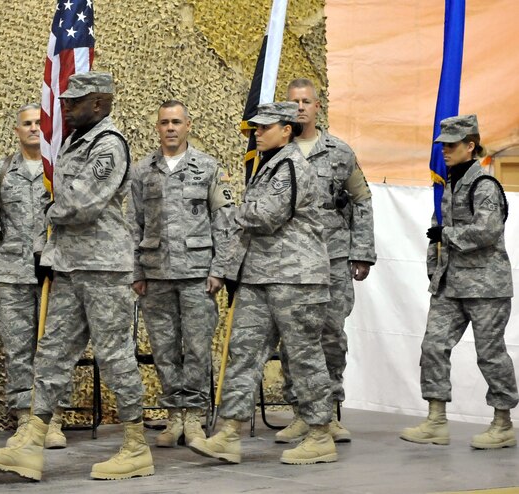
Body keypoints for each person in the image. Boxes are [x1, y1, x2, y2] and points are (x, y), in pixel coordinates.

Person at [0, 72, 154, 481]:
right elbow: (64, 198)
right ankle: (33, 439)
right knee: (51, 353)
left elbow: (81, 203)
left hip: (105, 267)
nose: (65, 108)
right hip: (70, 264)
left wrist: (47, 210)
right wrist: (54, 212)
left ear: (100, 104)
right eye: (66, 101)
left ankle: (135, 444)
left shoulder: (109, 145)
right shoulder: (73, 142)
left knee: (114, 357)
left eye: (76, 102)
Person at [188, 102, 336, 465]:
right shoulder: (267, 166)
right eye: (256, 126)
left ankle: (320, 434)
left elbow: (264, 216)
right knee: (243, 352)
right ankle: (229, 433)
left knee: (303, 358)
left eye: (265, 127)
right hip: (260, 276)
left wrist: (230, 212)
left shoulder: (289, 165)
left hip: (296, 278)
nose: (257, 131)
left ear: (287, 129)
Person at [400, 114, 517, 449]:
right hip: (450, 285)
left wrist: (447, 234)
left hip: (486, 287)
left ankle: (503, 422)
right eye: (443, 145)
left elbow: (489, 230)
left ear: (470, 145)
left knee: (490, 354)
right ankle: (436, 420)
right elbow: (434, 235)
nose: (445, 151)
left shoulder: (484, 185)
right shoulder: (449, 185)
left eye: (451, 145)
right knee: (433, 346)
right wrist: (433, 270)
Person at [274, 78, 376, 444]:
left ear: (318, 106)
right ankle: (302, 412)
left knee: (331, 334)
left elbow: (361, 200)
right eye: (294, 102)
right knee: (292, 336)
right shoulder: (275, 150)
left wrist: (361, 252)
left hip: (331, 256)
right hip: (287, 260)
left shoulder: (339, 152)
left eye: (306, 101)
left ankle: (330, 412)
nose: (300, 107)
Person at [128, 100, 235, 447]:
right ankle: (174, 416)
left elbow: (223, 221)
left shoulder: (208, 167)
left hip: (197, 274)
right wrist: (136, 271)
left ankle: (195, 418)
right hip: (156, 274)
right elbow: (132, 224)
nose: (170, 128)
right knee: (164, 349)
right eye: (164, 122)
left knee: (197, 348)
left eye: (176, 122)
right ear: (157, 128)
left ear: (189, 125)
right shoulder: (142, 171)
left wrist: (219, 269)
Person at [0, 103, 68, 449]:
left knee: (54, 349)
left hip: (54, 275)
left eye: (40, 123)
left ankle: (53, 419)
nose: (34, 128)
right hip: (12, 273)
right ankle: (23, 417)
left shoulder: (62, 171)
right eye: (27, 124)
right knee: (18, 349)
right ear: (16, 130)